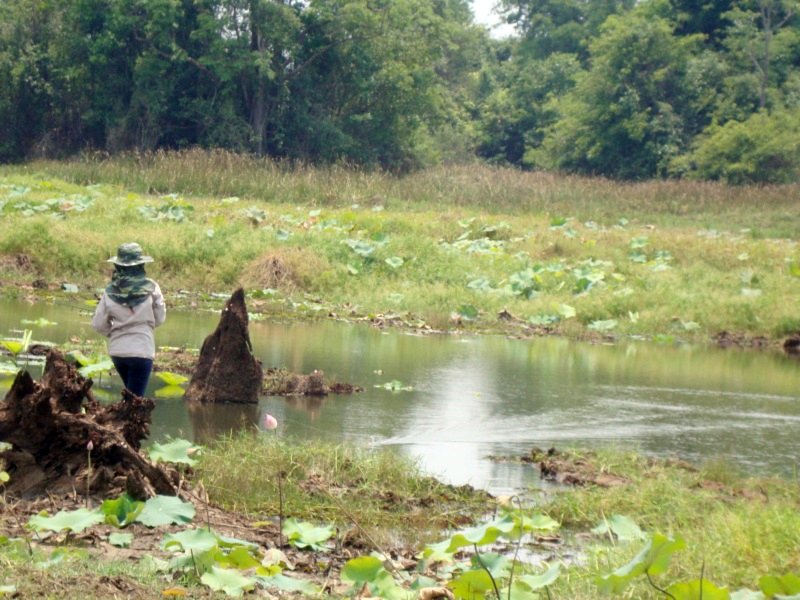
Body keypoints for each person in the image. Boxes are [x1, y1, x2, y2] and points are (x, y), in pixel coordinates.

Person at [92, 242, 166, 397]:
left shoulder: (109, 291)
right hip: (142, 350)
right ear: (141, 265)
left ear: (118, 266)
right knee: (135, 402)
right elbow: (160, 317)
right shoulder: (153, 287)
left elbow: (98, 324)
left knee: (130, 398)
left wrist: (114, 332)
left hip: (118, 351)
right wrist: (145, 326)